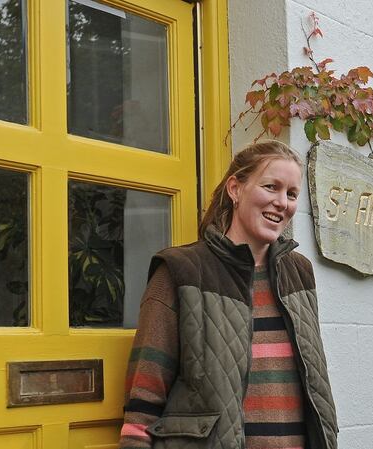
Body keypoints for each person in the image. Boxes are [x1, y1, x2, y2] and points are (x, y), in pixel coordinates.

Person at [119, 141, 338, 449]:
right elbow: (144, 394)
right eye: (271, 187)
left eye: (291, 194)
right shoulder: (182, 271)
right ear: (236, 189)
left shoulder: (298, 271)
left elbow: (314, 385)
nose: (282, 202)